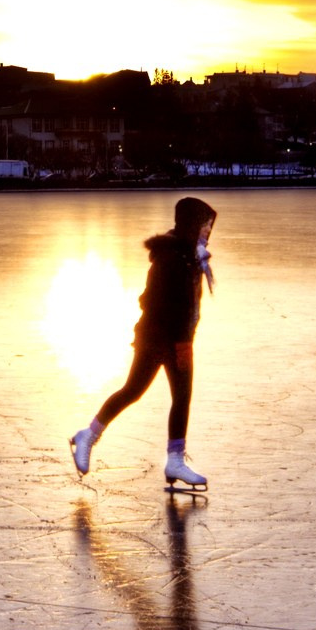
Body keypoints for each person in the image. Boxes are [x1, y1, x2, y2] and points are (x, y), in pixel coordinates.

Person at [70, 197, 217, 491]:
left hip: (177, 338)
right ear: (190, 224)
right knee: (134, 391)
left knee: (179, 397)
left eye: (210, 227)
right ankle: (88, 435)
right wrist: (177, 340)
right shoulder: (172, 257)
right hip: (160, 339)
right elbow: (151, 300)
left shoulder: (191, 254)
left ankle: (174, 460)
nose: (207, 232)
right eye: (204, 225)